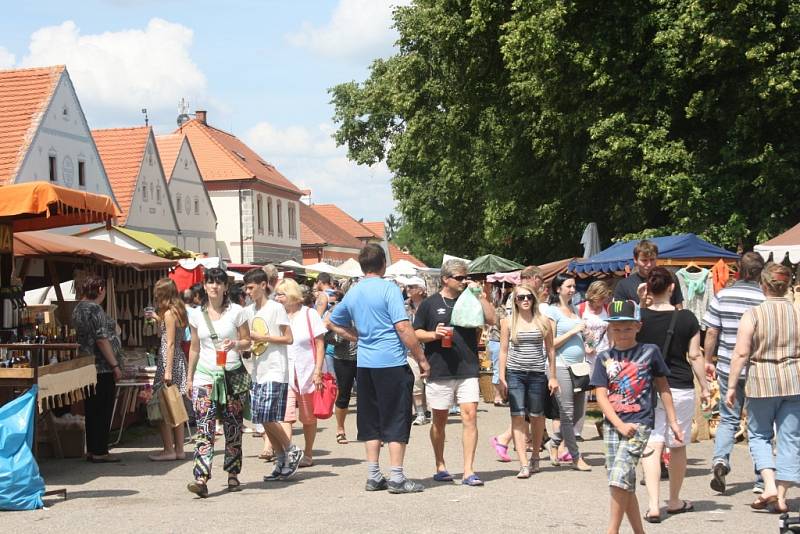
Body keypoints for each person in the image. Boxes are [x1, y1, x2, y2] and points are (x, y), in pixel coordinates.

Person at [327, 243, 430, 494]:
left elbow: (330, 321)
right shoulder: (389, 289)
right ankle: (396, 477)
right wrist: (422, 358)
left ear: (363, 266)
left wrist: (357, 337)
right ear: (383, 264)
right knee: (396, 416)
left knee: (370, 419)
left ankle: (374, 475)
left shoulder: (353, 291)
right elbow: (403, 328)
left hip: (366, 363)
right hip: (391, 362)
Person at [590, 300, 683, 534]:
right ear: (609, 329)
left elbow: (663, 388)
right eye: (617, 328)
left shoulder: (649, 352)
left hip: (639, 423)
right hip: (614, 424)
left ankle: (611, 530)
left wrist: (673, 422)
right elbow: (601, 395)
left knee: (620, 475)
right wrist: (618, 424)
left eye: (628, 327)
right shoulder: (604, 358)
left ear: (638, 326)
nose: (622, 333)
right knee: (621, 481)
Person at [636, 267, 710, 522]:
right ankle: (675, 500)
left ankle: (654, 504)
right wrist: (706, 385)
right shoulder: (687, 318)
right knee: (677, 445)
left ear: (648, 288)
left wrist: (641, 300)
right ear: (671, 288)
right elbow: (695, 355)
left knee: (652, 444)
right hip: (679, 386)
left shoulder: (640, 318)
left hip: (647, 388)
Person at [726, 262, 800, 514]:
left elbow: (741, 352)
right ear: (787, 286)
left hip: (762, 380)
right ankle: (781, 495)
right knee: (790, 438)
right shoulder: (797, 312)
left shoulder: (753, 314)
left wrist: (731, 386)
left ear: (763, 285)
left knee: (759, 435)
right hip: (794, 380)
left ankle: (768, 484)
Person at [414, 259, 496, 486]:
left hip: (467, 367)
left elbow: (491, 319)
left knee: (470, 416)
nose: (464, 281)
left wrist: (480, 295)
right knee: (439, 420)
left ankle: (469, 470)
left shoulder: (470, 299)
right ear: (445, 279)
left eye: (466, 277)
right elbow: (416, 332)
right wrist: (434, 335)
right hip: (439, 368)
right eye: (460, 278)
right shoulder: (430, 304)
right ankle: (440, 465)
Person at [185, 267, 251, 497]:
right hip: (205, 376)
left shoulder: (237, 312)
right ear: (204, 286)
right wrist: (189, 377)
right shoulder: (195, 314)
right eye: (210, 282)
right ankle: (201, 477)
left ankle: (233, 473)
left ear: (225, 287)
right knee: (205, 428)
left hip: (231, 375)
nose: (214, 286)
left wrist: (234, 345)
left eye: (218, 283)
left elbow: (247, 341)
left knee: (233, 427)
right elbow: (194, 347)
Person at [704, 252, 765, 494]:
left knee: (728, 419)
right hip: (757, 368)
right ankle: (762, 478)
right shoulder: (764, 298)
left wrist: (708, 360)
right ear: (761, 272)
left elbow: (711, 332)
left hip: (728, 367)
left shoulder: (723, 295)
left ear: (738, 270)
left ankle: (720, 461)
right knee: (759, 425)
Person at [242, 268, 305, 480]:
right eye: (246, 288)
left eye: (251, 287)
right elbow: (252, 340)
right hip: (258, 369)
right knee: (261, 417)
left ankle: (290, 448)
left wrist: (263, 337)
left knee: (268, 416)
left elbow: (289, 338)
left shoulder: (275, 308)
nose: (248, 291)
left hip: (276, 369)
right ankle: (282, 461)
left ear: (262, 285)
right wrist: (246, 345)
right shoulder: (249, 311)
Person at [498, 284, 557, 478]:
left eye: (529, 297)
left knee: (537, 416)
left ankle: (535, 457)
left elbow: (550, 350)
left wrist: (553, 376)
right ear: (514, 301)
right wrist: (501, 376)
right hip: (515, 373)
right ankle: (523, 463)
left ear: (534, 300)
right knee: (517, 415)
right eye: (521, 297)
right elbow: (504, 349)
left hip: (537, 373)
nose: (525, 300)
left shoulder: (544, 321)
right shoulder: (507, 322)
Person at [72, 275, 124, 463]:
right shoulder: (95, 309)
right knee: (102, 408)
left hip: (85, 364)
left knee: (91, 408)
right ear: (100, 290)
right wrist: (115, 365)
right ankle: (100, 450)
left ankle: (92, 448)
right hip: (101, 366)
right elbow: (102, 340)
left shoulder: (78, 308)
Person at [275, 278, 325, 468]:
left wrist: (318, 371)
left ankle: (308, 453)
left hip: (306, 372)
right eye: (277, 294)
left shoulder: (309, 314)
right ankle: (289, 453)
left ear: (293, 296)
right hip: (284, 372)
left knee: (308, 418)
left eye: (281, 294)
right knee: (285, 416)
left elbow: (320, 344)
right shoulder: (278, 316)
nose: (278, 298)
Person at [543, 274, 591, 471]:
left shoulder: (573, 310)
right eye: (568, 286)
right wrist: (573, 332)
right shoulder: (552, 312)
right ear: (558, 289)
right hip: (560, 366)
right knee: (568, 412)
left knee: (578, 413)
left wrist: (586, 339)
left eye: (574, 286)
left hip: (579, 367)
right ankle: (575, 456)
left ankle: (553, 443)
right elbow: (550, 343)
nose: (573, 289)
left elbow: (577, 337)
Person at [149, 278, 189, 461]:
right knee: (176, 406)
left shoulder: (169, 314)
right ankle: (179, 449)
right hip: (179, 358)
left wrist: (167, 370)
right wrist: (158, 319)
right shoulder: (179, 310)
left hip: (169, 360)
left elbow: (170, 343)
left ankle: (168, 449)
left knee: (164, 406)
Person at [575, 280, 612, 438]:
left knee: (607, 391)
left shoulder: (607, 309)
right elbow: (576, 331)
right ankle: (576, 430)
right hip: (585, 356)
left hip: (604, 353)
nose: (603, 301)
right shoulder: (580, 309)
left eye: (605, 298)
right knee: (582, 392)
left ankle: (608, 427)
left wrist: (613, 350)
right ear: (593, 295)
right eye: (601, 298)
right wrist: (586, 345)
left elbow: (610, 330)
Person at [613, 240, 684, 308]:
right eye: (644, 260)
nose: (649, 264)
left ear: (657, 258)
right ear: (635, 260)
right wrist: (642, 303)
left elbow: (679, 307)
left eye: (652, 259)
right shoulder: (624, 285)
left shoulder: (670, 278)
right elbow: (621, 317)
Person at [404, 276, 428, 425]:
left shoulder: (429, 305)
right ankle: (420, 413)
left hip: (428, 348)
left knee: (428, 382)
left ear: (421, 289)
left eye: (411, 286)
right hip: (409, 349)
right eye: (407, 286)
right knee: (416, 381)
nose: (408, 289)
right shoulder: (404, 306)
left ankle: (426, 410)